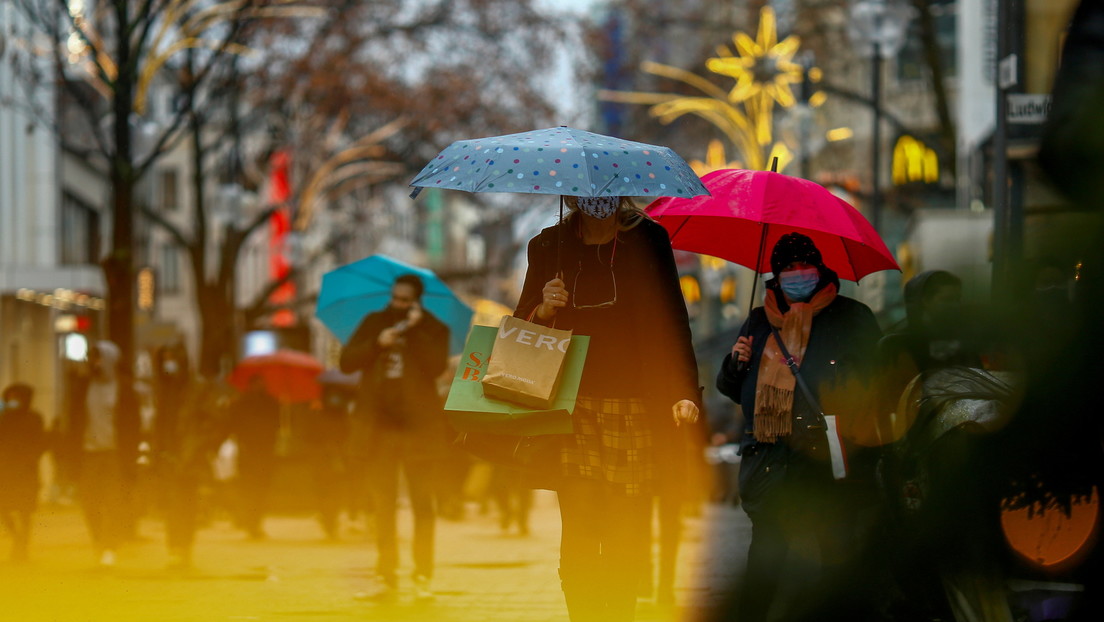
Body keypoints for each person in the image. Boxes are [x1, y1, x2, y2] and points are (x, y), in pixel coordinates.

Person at [514, 195, 701, 622]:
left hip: (637, 404)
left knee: (627, 530)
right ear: (572, 195)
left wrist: (683, 389)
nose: (596, 197)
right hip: (570, 404)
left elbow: (672, 315)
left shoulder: (649, 239)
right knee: (579, 527)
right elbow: (520, 325)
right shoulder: (548, 245)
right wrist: (543, 308)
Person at [715, 233, 883, 621]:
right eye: (787, 268)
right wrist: (735, 362)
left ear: (820, 268)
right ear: (775, 275)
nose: (796, 274)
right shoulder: (759, 321)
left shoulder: (851, 318)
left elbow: (879, 379)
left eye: (803, 265)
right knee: (766, 560)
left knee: (835, 551)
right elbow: (732, 388)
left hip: (828, 455)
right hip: (771, 458)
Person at [340, 273, 450, 602]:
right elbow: (347, 362)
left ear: (416, 301)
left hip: (419, 430)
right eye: (395, 297)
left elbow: (434, 368)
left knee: (422, 505)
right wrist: (378, 343)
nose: (398, 304)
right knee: (382, 505)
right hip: (379, 429)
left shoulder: (433, 328)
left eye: (405, 300)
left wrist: (413, 332)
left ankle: (422, 576)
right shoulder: (375, 322)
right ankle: (386, 576)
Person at [65, 340, 141, 568]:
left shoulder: (125, 389)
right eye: (92, 358)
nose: (95, 363)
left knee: (113, 501)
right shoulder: (83, 387)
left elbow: (132, 425)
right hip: (89, 453)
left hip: (114, 453)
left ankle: (109, 545)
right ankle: (99, 540)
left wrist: (131, 456)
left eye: (99, 358)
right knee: (89, 501)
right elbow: (74, 421)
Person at [227, 374, 280, 540]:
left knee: (260, 490)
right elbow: (232, 424)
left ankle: (255, 523)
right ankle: (250, 522)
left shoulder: (272, 403)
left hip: (264, 452)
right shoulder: (241, 403)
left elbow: (276, 426)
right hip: (248, 451)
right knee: (248, 488)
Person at [0, 383, 47, 562]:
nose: (13, 401)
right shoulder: (4, 418)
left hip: (27, 470)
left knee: (25, 511)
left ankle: (22, 546)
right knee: (3, 507)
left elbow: (40, 441)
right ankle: (18, 538)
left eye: (17, 397)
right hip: (6, 470)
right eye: (10, 397)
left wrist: (31, 457)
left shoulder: (34, 418)